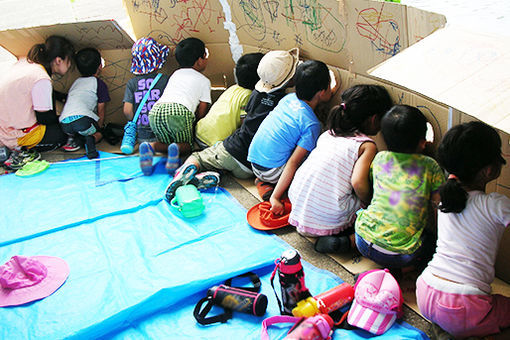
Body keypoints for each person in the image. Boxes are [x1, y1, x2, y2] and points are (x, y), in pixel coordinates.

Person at [164, 48, 299, 202]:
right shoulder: (285, 102)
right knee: (223, 165)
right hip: (251, 166)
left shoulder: (254, 94)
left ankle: (183, 174)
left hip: (233, 149)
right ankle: (204, 178)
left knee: (198, 157)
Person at [416, 121, 509, 339]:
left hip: (426, 291)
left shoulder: (445, 198)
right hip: (465, 305)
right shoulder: (495, 204)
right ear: (490, 170)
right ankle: (461, 331)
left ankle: (446, 329)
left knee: (473, 309)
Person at [288, 85, 392, 253]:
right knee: (375, 212)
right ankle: (348, 241)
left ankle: (325, 231)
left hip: (299, 207)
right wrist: (370, 202)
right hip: (328, 216)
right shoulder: (366, 146)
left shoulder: (328, 134)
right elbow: (358, 183)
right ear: (374, 120)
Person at [354, 105, 444, 270]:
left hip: (363, 240)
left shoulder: (380, 158)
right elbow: (439, 205)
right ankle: (404, 269)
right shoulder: (430, 166)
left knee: (364, 213)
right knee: (430, 240)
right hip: (401, 254)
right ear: (423, 142)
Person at [248, 59, 333, 215]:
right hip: (271, 171)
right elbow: (294, 162)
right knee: (311, 158)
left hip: (254, 163)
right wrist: (275, 198)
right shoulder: (312, 125)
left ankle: (263, 183)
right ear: (322, 92)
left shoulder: (288, 99)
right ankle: (273, 190)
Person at [139, 37, 211, 176]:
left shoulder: (175, 74)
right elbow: (202, 108)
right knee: (187, 146)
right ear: (199, 60)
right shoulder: (204, 80)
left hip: (156, 111)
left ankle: (150, 146)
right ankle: (176, 153)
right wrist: (195, 124)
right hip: (179, 111)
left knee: (166, 142)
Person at [0, 35, 74, 169]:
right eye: (69, 62)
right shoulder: (42, 79)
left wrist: (60, 97)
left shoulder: (27, 64)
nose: (70, 67)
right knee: (64, 132)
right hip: (12, 134)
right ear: (58, 60)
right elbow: (44, 118)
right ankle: (17, 150)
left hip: (4, 124)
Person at [195, 52, 264, 149]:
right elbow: (244, 122)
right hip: (213, 143)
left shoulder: (233, 88)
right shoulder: (248, 96)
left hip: (199, 132)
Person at [59, 48, 110, 159]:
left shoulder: (76, 82)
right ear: (100, 67)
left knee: (78, 129)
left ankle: (72, 140)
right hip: (83, 122)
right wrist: (99, 127)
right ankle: (90, 142)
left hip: (64, 123)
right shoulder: (99, 84)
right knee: (100, 133)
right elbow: (101, 108)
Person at [122, 37, 170, 148]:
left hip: (142, 134)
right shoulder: (164, 80)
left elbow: (127, 111)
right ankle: (155, 147)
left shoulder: (132, 83)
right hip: (162, 132)